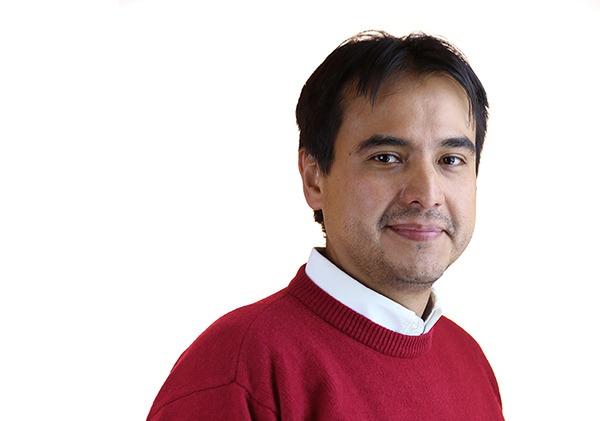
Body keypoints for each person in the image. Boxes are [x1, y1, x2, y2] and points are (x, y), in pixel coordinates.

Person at [146, 30, 504, 420]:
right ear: (314, 178)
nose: (427, 194)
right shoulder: (240, 369)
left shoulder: (470, 362)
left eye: (451, 160)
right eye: (386, 157)